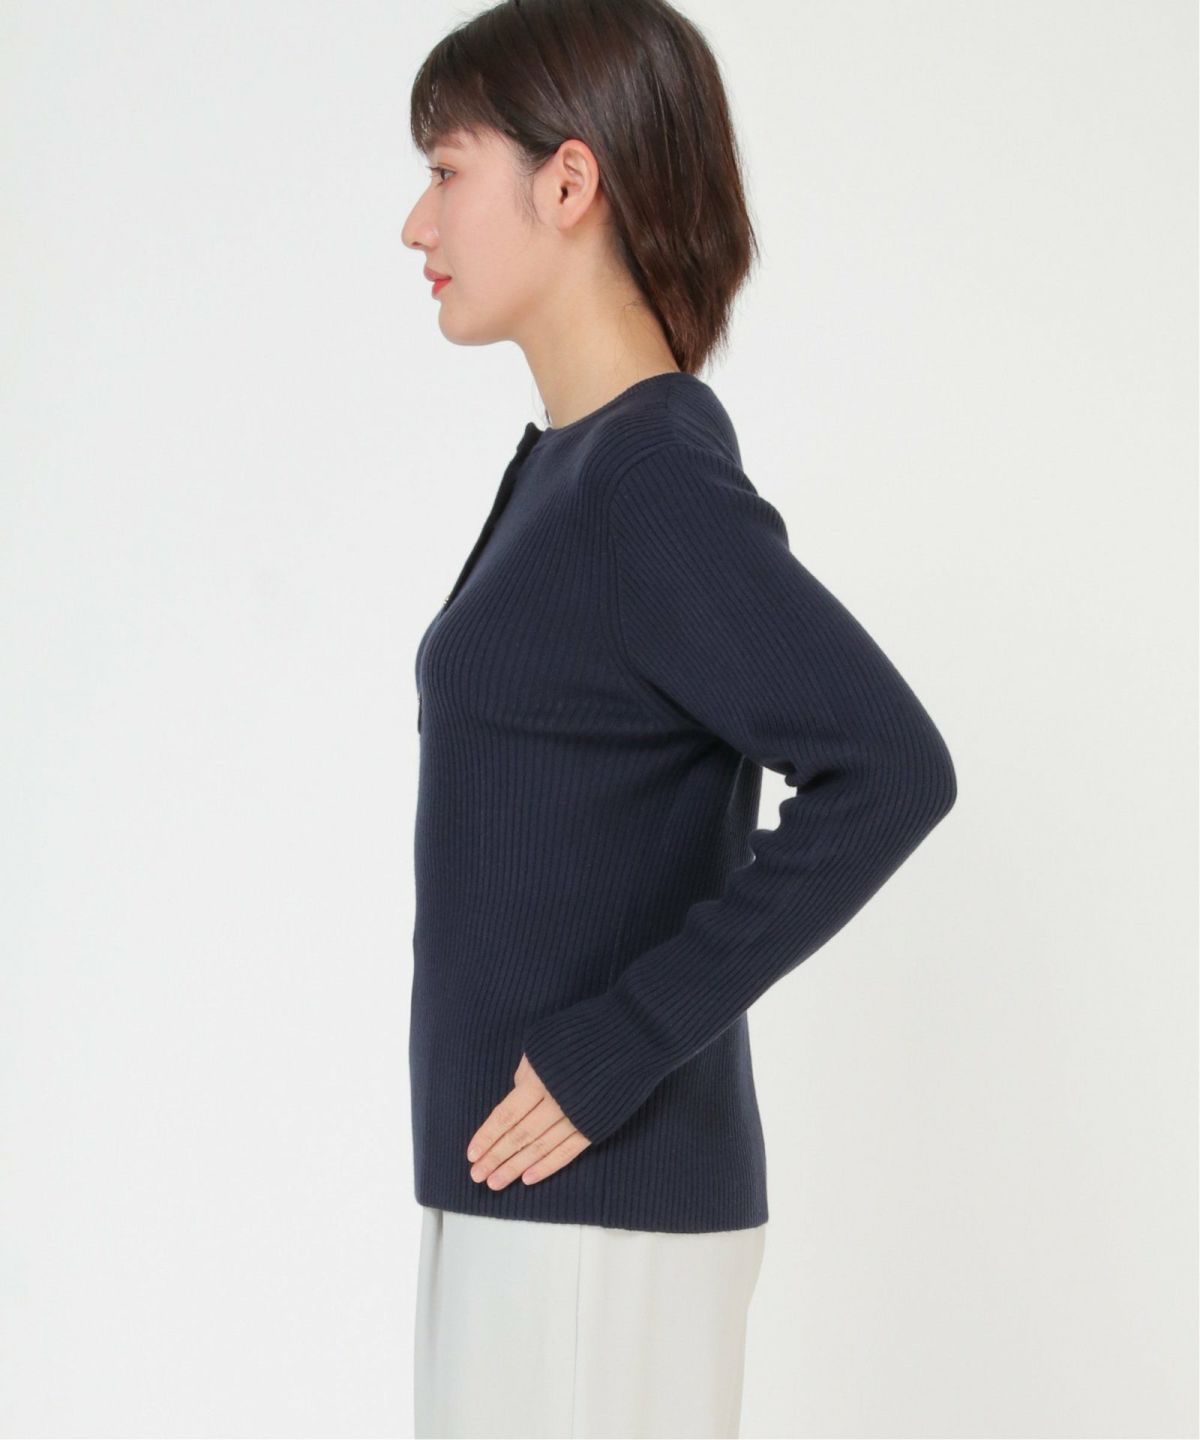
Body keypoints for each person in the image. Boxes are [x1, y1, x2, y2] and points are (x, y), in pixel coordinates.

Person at [400, 1, 957, 1435]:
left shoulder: (645, 481)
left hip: (599, 1227)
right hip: (532, 1205)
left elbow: (889, 768)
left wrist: (619, 1047)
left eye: (447, 170)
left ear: (568, 183)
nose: (417, 223)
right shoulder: (571, 474)